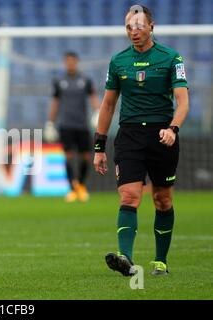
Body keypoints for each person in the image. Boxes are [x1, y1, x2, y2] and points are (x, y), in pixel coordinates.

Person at [93, 5, 189, 276]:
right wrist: (99, 147)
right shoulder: (118, 61)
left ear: (151, 26)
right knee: (129, 195)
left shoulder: (172, 58)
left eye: (138, 26)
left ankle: (161, 260)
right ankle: (126, 258)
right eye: (128, 27)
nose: (133, 32)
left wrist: (173, 129)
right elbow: (108, 105)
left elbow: (182, 102)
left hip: (163, 135)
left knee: (162, 199)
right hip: (130, 136)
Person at [45, 52, 100, 202]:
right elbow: (55, 102)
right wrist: (50, 122)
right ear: (65, 63)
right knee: (68, 156)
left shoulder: (85, 80)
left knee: (86, 156)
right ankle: (72, 189)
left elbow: (93, 96)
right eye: (67, 61)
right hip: (66, 124)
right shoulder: (59, 81)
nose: (70, 64)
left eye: (72, 61)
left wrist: (97, 112)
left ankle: (81, 185)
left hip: (82, 124)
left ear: (76, 62)